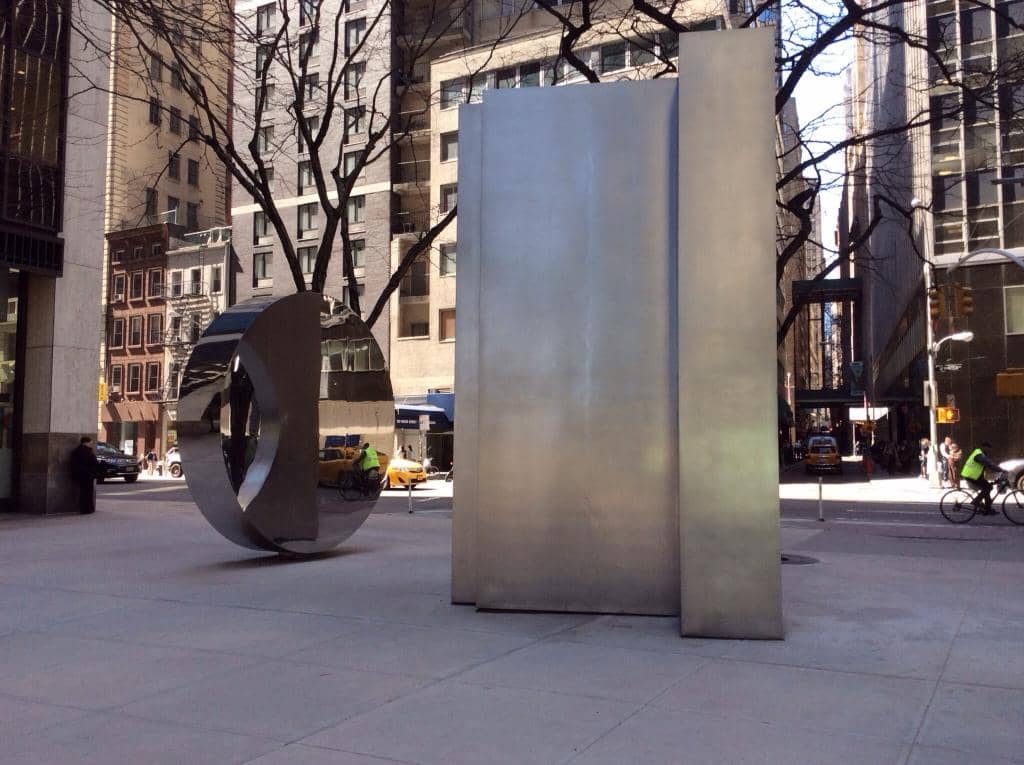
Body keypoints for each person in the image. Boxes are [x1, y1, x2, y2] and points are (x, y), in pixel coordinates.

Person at [961, 441, 1001, 513]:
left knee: (987, 487)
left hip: (974, 475)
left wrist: (996, 471)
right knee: (988, 487)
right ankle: (976, 501)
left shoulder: (980, 454)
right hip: (971, 476)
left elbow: (988, 464)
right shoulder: (979, 455)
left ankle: (987, 508)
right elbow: (989, 464)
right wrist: (1000, 470)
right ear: (984, 447)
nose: (989, 451)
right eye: (988, 449)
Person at [69, 436, 100, 515]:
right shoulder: (87, 452)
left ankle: (84, 508)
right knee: (88, 492)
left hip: (80, 474)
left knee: (84, 492)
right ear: (86, 443)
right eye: (90, 443)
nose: (91, 445)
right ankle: (88, 509)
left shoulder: (76, 451)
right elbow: (93, 462)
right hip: (87, 474)